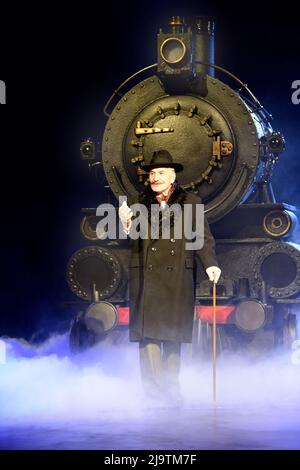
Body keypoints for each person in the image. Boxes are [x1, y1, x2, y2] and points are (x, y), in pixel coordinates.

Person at [119, 149, 221, 405]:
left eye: (161, 173)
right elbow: (130, 239)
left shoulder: (191, 202)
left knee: (174, 335)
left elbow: (202, 238)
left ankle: (172, 393)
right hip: (147, 274)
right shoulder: (137, 201)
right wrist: (127, 225)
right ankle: (154, 395)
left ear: (172, 175)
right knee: (149, 335)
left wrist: (210, 264)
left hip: (177, 274)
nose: (155, 178)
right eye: (152, 173)